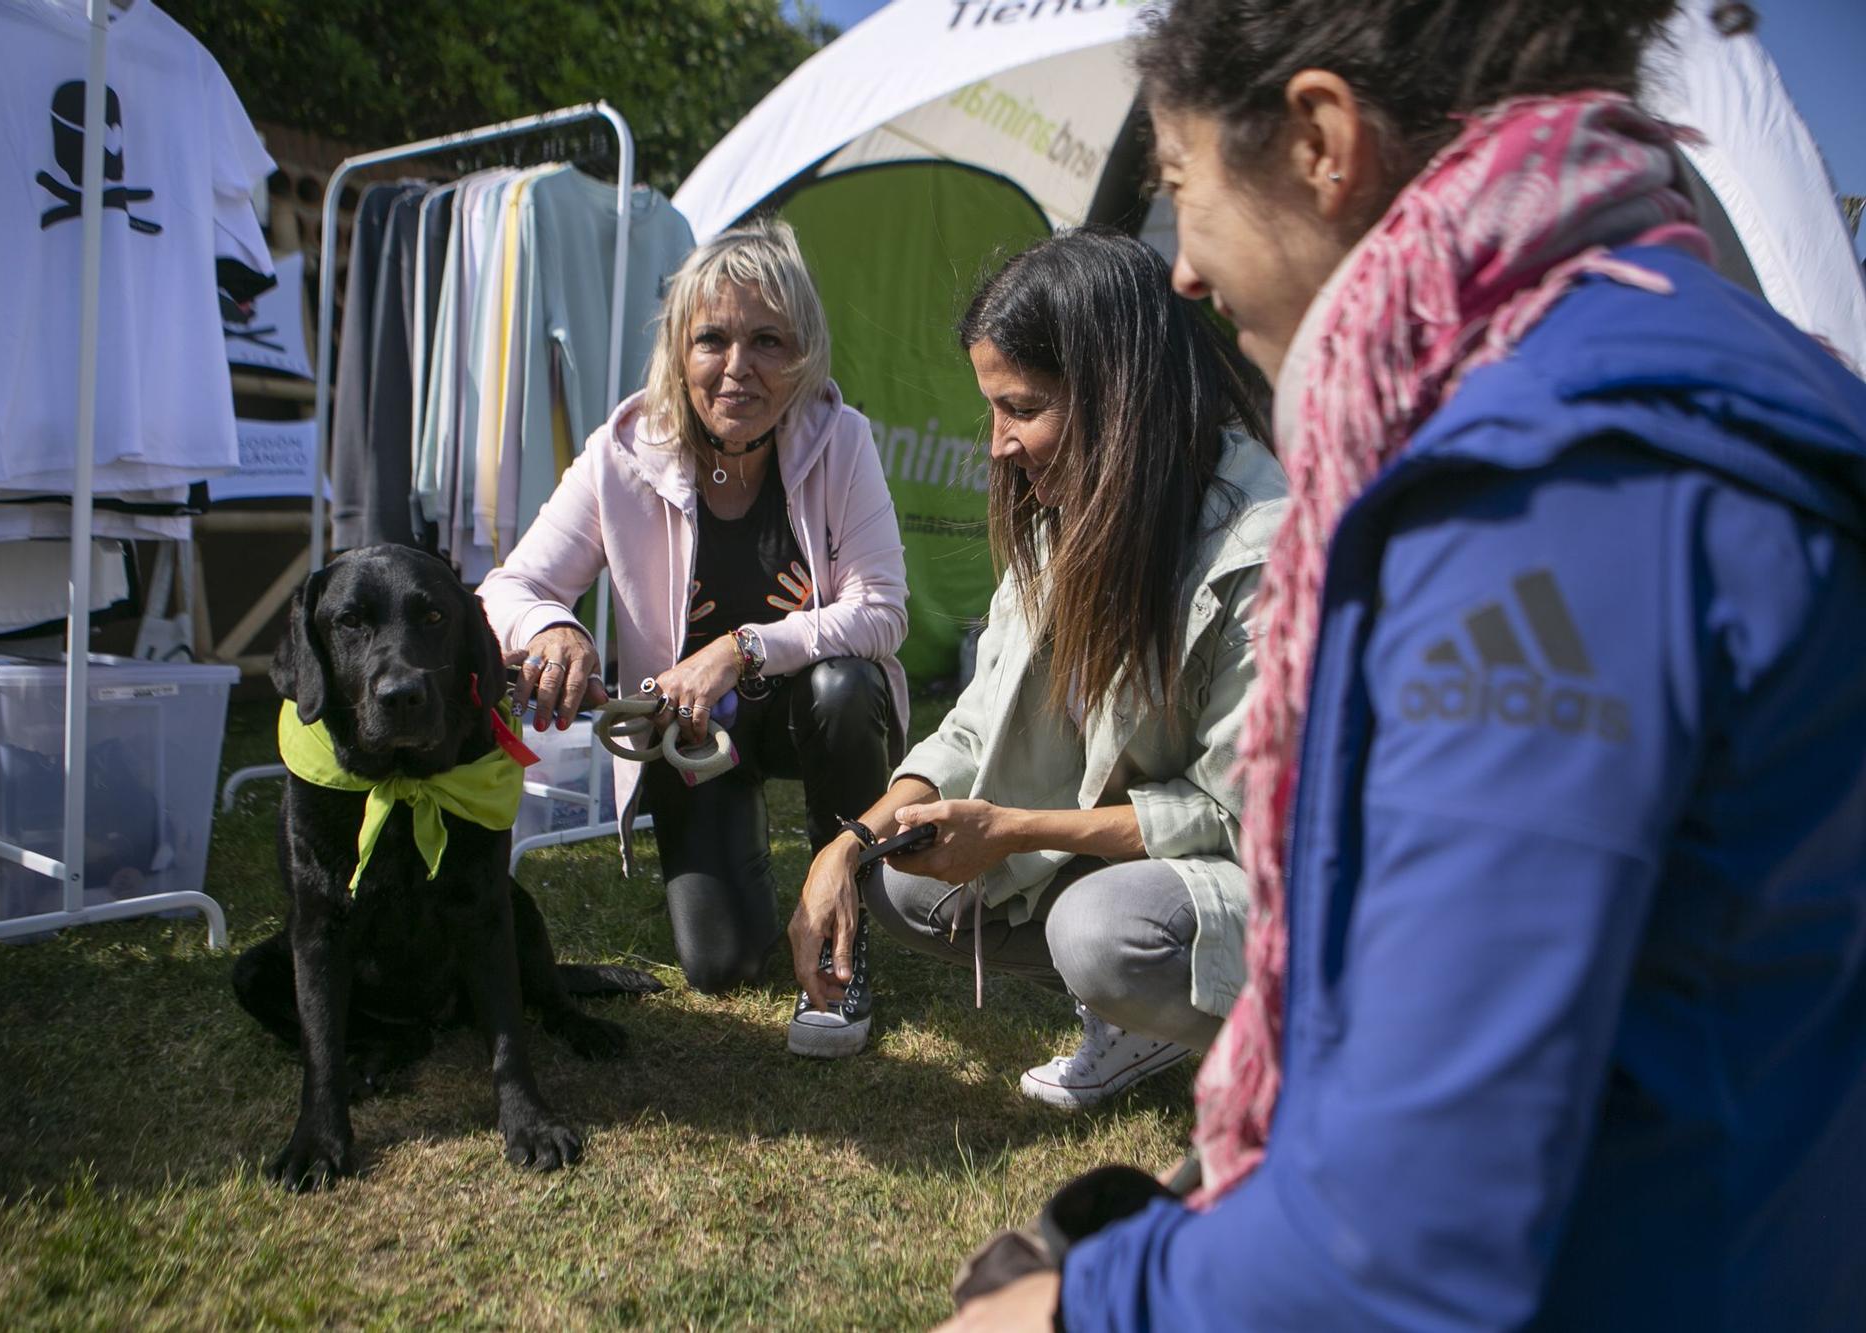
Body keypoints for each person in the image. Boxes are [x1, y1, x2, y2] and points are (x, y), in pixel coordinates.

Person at [941, 1, 1866, 1330]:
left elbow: (1400, 1243)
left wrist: (1075, 1311)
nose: (1184, 272)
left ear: (1322, 139)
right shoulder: (1754, 378)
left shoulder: (1534, 493)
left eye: (1184, 186)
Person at [786, 229, 1284, 1092]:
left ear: (1118, 396)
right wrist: (852, 842)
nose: (997, 445)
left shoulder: (1264, 550)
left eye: (1022, 408)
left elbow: (1243, 819)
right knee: (903, 882)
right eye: (994, 410)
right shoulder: (1077, 510)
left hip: (1281, 886)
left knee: (1103, 931)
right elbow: (981, 716)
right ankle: (1145, 1016)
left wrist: (1016, 832)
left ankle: (1294, 1044)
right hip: (1144, 855)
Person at [479, 220, 909, 997]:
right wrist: (556, 628)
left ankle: (849, 906)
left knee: (846, 684)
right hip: (693, 741)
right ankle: (744, 862)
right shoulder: (623, 454)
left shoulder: (842, 440)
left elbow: (883, 612)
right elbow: (508, 587)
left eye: (768, 341)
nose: (737, 369)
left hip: (808, 713)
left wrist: (739, 648)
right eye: (712, 339)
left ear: (804, 352)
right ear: (679, 351)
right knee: (722, 967)